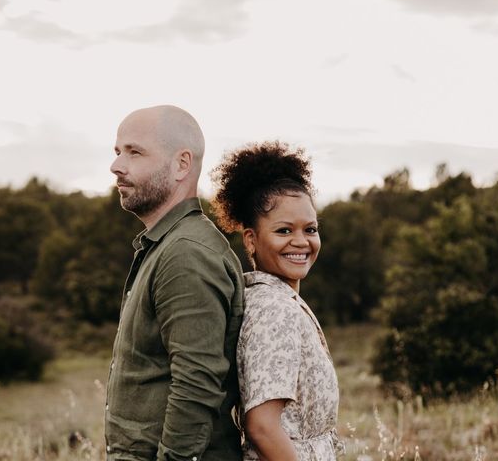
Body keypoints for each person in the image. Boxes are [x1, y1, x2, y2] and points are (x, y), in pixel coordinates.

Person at [106, 105, 244, 461]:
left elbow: (196, 387)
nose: (117, 166)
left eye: (134, 152)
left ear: (182, 164)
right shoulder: (166, 245)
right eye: (117, 152)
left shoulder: (186, 254)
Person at [210, 141, 345, 460]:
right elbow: (262, 426)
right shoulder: (273, 309)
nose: (301, 241)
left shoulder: (280, 300)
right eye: (284, 231)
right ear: (251, 240)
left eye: (310, 229)